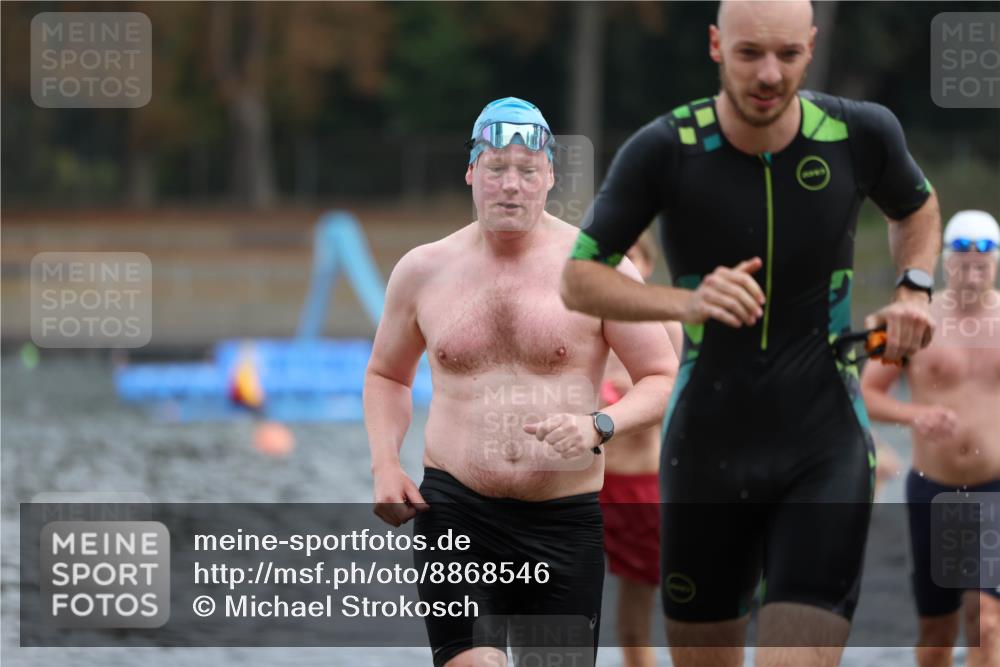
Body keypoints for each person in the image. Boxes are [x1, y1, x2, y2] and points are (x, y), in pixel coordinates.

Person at [559, 2, 941, 666]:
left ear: (812, 47)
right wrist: (687, 301)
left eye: (788, 56)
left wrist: (915, 288)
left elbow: (916, 206)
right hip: (706, 448)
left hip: (825, 441)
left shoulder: (860, 133)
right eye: (749, 54)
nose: (769, 74)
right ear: (715, 44)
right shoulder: (664, 148)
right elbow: (579, 279)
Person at [364, 96, 678, 667]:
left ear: (549, 176)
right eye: (496, 168)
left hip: (563, 520)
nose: (511, 185)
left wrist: (598, 425)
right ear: (471, 172)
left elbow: (661, 376)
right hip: (456, 514)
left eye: (527, 171)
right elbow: (387, 374)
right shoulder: (423, 269)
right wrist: (385, 464)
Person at [861, 210, 1000, 667]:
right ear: (945, 263)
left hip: (994, 488)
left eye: (983, 264)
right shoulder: (910, 320)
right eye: (963, 263)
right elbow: (863, 394)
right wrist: (915, 414)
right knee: (936, 636)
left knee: (987, 622)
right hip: (935, 489)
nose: (973, 274)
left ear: (996, 264)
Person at [598, 231, 683, 667]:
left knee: (635, 619)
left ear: (647, 265)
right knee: (564, 603)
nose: (619, 265)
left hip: (642, 489)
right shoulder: (582, 316)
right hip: (586, 485)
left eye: (629, 256)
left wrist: (628, 399)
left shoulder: (666, 323)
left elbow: (685, 407)